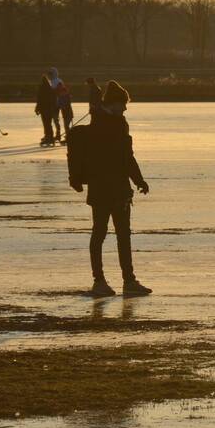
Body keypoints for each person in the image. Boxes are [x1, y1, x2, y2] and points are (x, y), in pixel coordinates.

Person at [71, 80, 152, 298]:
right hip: (112, 189)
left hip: (106, 189)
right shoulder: (114, 125)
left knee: (108, 234)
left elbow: (126, 158)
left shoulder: (101, 121)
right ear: (114, 103)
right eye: (123, 104)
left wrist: (139, 180)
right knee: (111, 234)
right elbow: (127, 158)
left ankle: (116, 280)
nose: (125, 108)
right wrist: (138, 180)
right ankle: (113, 281)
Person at [35, 74, 57, 145]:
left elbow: (39, 99)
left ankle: (48, 138)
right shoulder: (50, 88)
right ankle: (50, 137)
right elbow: (54, 99)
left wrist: (37, 108)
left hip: (44, 109)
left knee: (46, 124)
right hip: (50, 109)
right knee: (49, 124)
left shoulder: (41, 88)